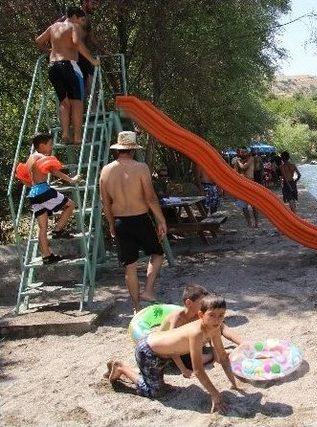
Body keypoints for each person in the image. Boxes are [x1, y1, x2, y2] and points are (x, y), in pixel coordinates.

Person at [105, 294, 243, 413]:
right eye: (212, 315)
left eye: (221, 315)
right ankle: (121, 367)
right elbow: (198, 370)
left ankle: (142, 372)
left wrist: (234, 384)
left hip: (164, 355)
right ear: (201, 315)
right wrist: (215, 394)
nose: (217, 320)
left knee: (157, 382)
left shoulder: (215, 329)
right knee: (154, 391)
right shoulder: (197, 333)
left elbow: (223, 357)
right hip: (148, 352)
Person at [99, 131, 167, 313]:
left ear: (118, 149)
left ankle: (136, 308)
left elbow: (105, 203)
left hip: (120, 221)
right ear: (133, 150)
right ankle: (148, 290)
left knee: (130, 267)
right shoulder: (141, 167)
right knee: (157, 254)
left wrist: (112, 225)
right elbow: (151, 198)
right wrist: (161, 220)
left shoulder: (105, 171)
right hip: (141, 218)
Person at [35, 6, 100, 144]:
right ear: (74, 17)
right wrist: (92, 60)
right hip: (70, 66)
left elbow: (39, 41)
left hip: (53, 67)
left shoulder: (53, 27)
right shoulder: (73, 26)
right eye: (81, 19)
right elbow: (77, 43)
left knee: (64, 103)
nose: (82, 22)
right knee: (77, 103)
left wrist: (49, 51)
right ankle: (77, 137)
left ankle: (65, 134)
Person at [160, 284, 243, 377]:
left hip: (189, 346)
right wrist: (183, 369)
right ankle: (212, 355)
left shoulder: (199, 314)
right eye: (202, 303)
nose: (206, 306)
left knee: (215, 327)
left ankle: (216, 354)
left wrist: (242, 343)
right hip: (172, 351)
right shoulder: (178, 318)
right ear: (189, 303)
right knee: (195, 361)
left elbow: (222, 328)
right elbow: (171, 347)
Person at [26, 133, 80, 264]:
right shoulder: (41, 157)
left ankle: (46, 255)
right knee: (70, 204)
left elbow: (27, 177)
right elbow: (54, 171)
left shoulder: (30, 158)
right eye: (50, 144)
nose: (52, 147)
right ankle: (58, 230)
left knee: (42, 227)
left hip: (33, 193)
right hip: (44, 191)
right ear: (42, 145)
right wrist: (71, 180)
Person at [231, 149, 259, 228]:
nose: (243, 153)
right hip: (241, 185)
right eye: (241, 152)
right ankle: (249, 223)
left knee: (254, 205)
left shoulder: (251, 159)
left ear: (248, 153)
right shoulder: (238, 161)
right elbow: (235, 172)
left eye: (244, 152)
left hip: (250, 184)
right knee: (244, 206)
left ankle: (256, 223)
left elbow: (243, 167)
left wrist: (237, 161)